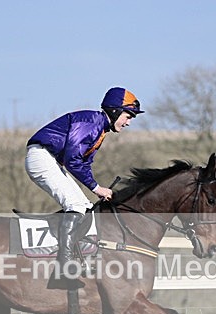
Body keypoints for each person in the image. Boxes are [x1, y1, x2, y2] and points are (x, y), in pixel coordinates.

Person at [25, 87, 144, 289]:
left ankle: (67, 256)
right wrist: (97, 188)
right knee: (77, 206)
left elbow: (83, 164)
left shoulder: (100, 128)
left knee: (84, 206)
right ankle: (63, 270)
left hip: (49, 159)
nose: (128, 122)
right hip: (42, 157)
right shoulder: (91, 123)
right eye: (127, 116)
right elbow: (73, 160)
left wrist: (97, 188)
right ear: (115, 111)